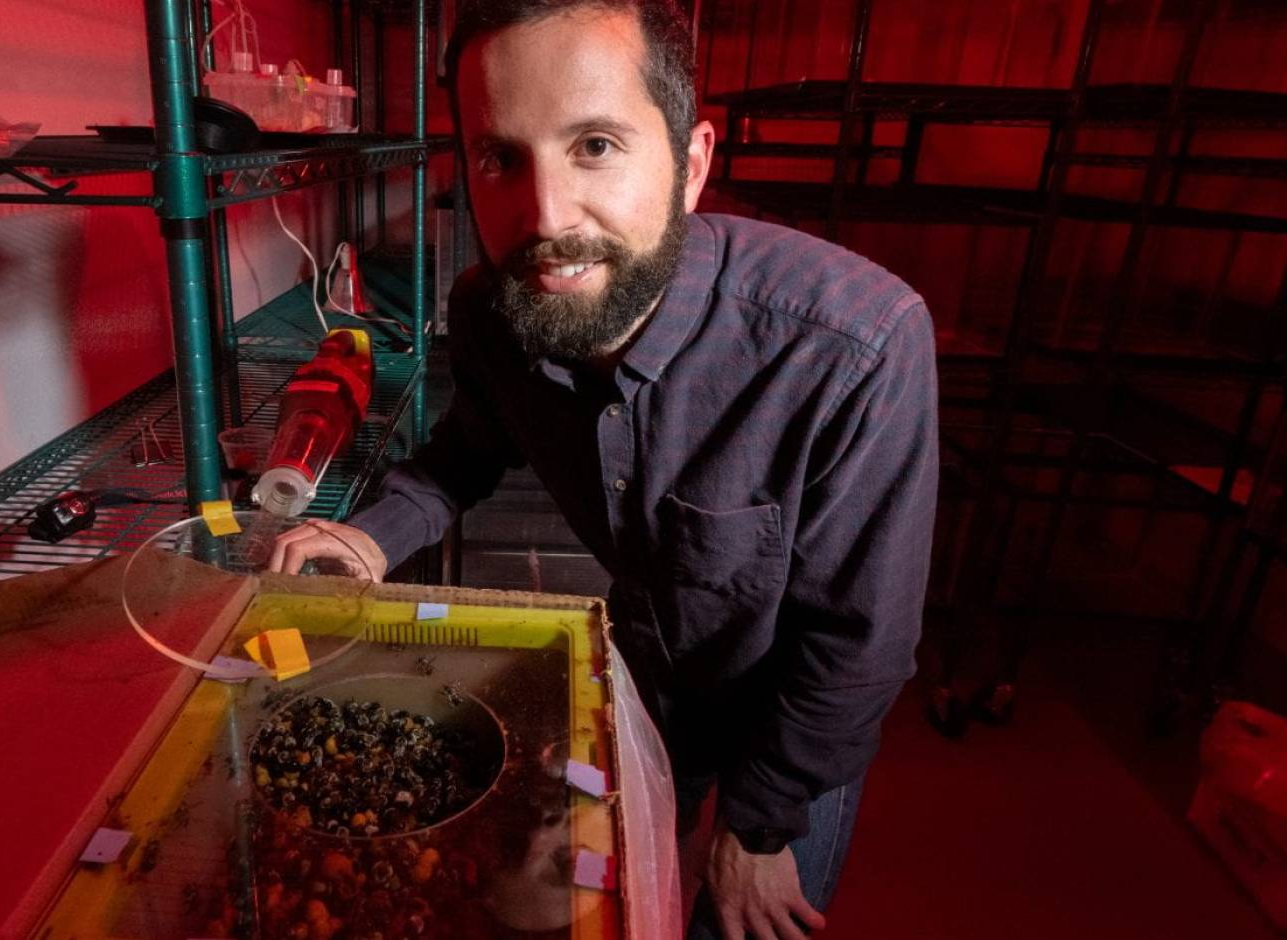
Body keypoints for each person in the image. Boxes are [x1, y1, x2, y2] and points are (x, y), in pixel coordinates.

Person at [268, 1, 939, 937]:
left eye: (594, 145)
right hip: (644, 664)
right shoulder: (492, 309)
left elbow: (859, 646)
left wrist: (759, 827)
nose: (545, 217)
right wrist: (369, 536)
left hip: (793, 718)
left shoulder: (854, 346)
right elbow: (467, 452)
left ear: (693, 164)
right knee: (617, 902)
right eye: (502, 157)